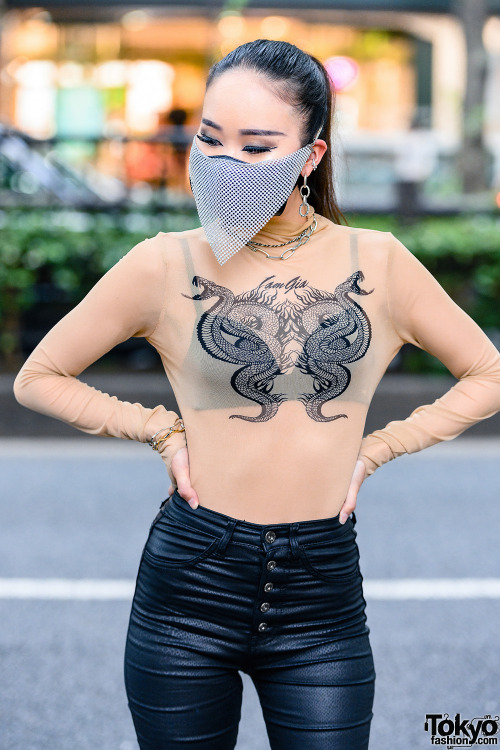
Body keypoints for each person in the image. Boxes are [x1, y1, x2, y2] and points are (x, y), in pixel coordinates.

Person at [12, 39, 500, 750]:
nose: (225, 162)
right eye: (210, 138)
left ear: (310, 156)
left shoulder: (380, 261)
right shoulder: (163, 263)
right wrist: (158, 429)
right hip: (189, 586)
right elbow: (39, 378)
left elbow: (487, 372)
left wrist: (380, 448)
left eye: (257, 145)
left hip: (321, 598)